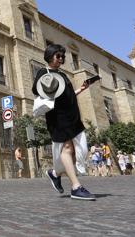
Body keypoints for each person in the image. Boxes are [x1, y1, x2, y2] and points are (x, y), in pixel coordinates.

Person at [36, 43, 97, 200]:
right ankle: (76, 187)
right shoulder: (44, 72)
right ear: (50, 56)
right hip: (58, 117)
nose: (61, 59)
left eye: (63, 56)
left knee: (78, 151)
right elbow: (37, 90)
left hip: (72, 116)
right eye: (58, 56)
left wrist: (81, 89)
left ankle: (55, 173)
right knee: (67, 148)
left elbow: (67, 96)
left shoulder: (62, 75)